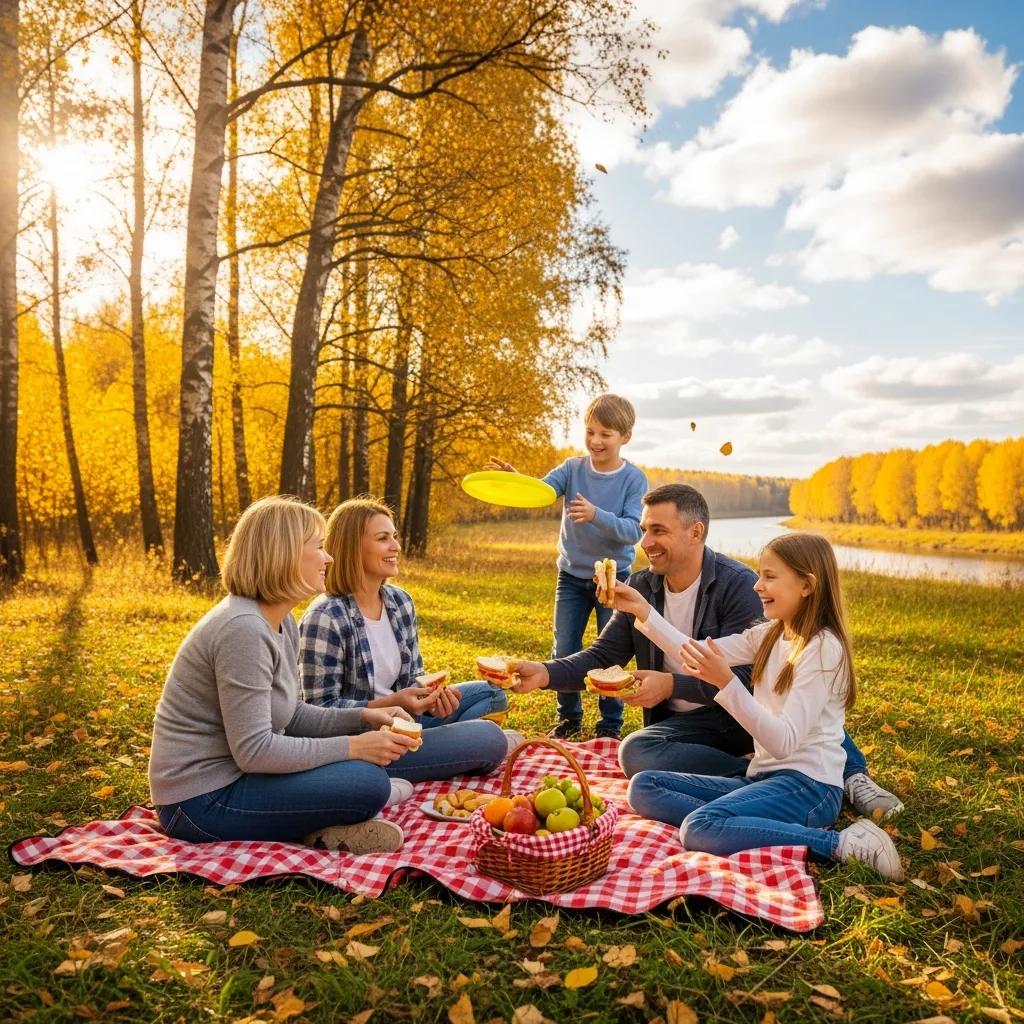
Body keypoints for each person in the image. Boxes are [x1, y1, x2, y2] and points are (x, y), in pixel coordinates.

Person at [511, 483, 904, 821]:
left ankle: (850, 775)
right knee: (636, 751)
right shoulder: (643, 587)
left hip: (742, 714)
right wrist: (544, 673)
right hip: (694, 727)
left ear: (694, 532)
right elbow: (602, 656)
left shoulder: (739, 585)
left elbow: (759, 677)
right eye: (645, 529)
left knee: (802, 697)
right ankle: (755, 778)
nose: (645, 542)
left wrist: (671, 685)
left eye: (658, 530)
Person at [149, 496, 506, 854]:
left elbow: (293, 712)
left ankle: (324, 823)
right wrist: (355, 746)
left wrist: (365, 715)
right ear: (284, 554)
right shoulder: (244, 629)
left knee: (366, 780)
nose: (328, 557)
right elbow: (254, 751)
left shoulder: (281, 621)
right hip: (200, 802)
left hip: (242, 779)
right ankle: (323, 826)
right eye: (318, 547)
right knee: (367, 783)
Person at [621, 532, 904, 880]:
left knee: (699, 828)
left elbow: (783, 742)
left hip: (809, 787)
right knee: (644, 786)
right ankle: (742, 822)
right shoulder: (770, 634)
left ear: (807, 585)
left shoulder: (822, 648)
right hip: (762, 778)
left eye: (770, 576)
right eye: (759, 574)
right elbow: (694, 651)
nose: (757, 586)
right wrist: (642, 610)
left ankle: (839, 843)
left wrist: (726, 683)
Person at [487, 393, 647, 740]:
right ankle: (569, 717)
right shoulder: (572, 468)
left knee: (612, 655)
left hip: (614, 580)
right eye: (590, 431)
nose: (596, 440)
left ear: (625, 437)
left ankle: (610, 725)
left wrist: (596, 515)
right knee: (564, 649)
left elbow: (633, 531)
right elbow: (542, 491)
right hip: (571, 577)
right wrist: (517, 481)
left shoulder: (633, 479)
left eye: (606, 434)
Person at [299, 497, 513, 734]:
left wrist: (432, 700)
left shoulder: (400, 601)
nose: (396, 546)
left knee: (491, 694)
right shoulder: (325, 617)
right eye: (383, 538)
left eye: (394, 536)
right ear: (352, 547)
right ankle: (461, 745)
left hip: (407, 723)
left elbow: (413, 679)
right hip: (364, 739)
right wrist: (392, 703)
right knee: (488, 737)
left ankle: (450, 745)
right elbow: (319, 710)